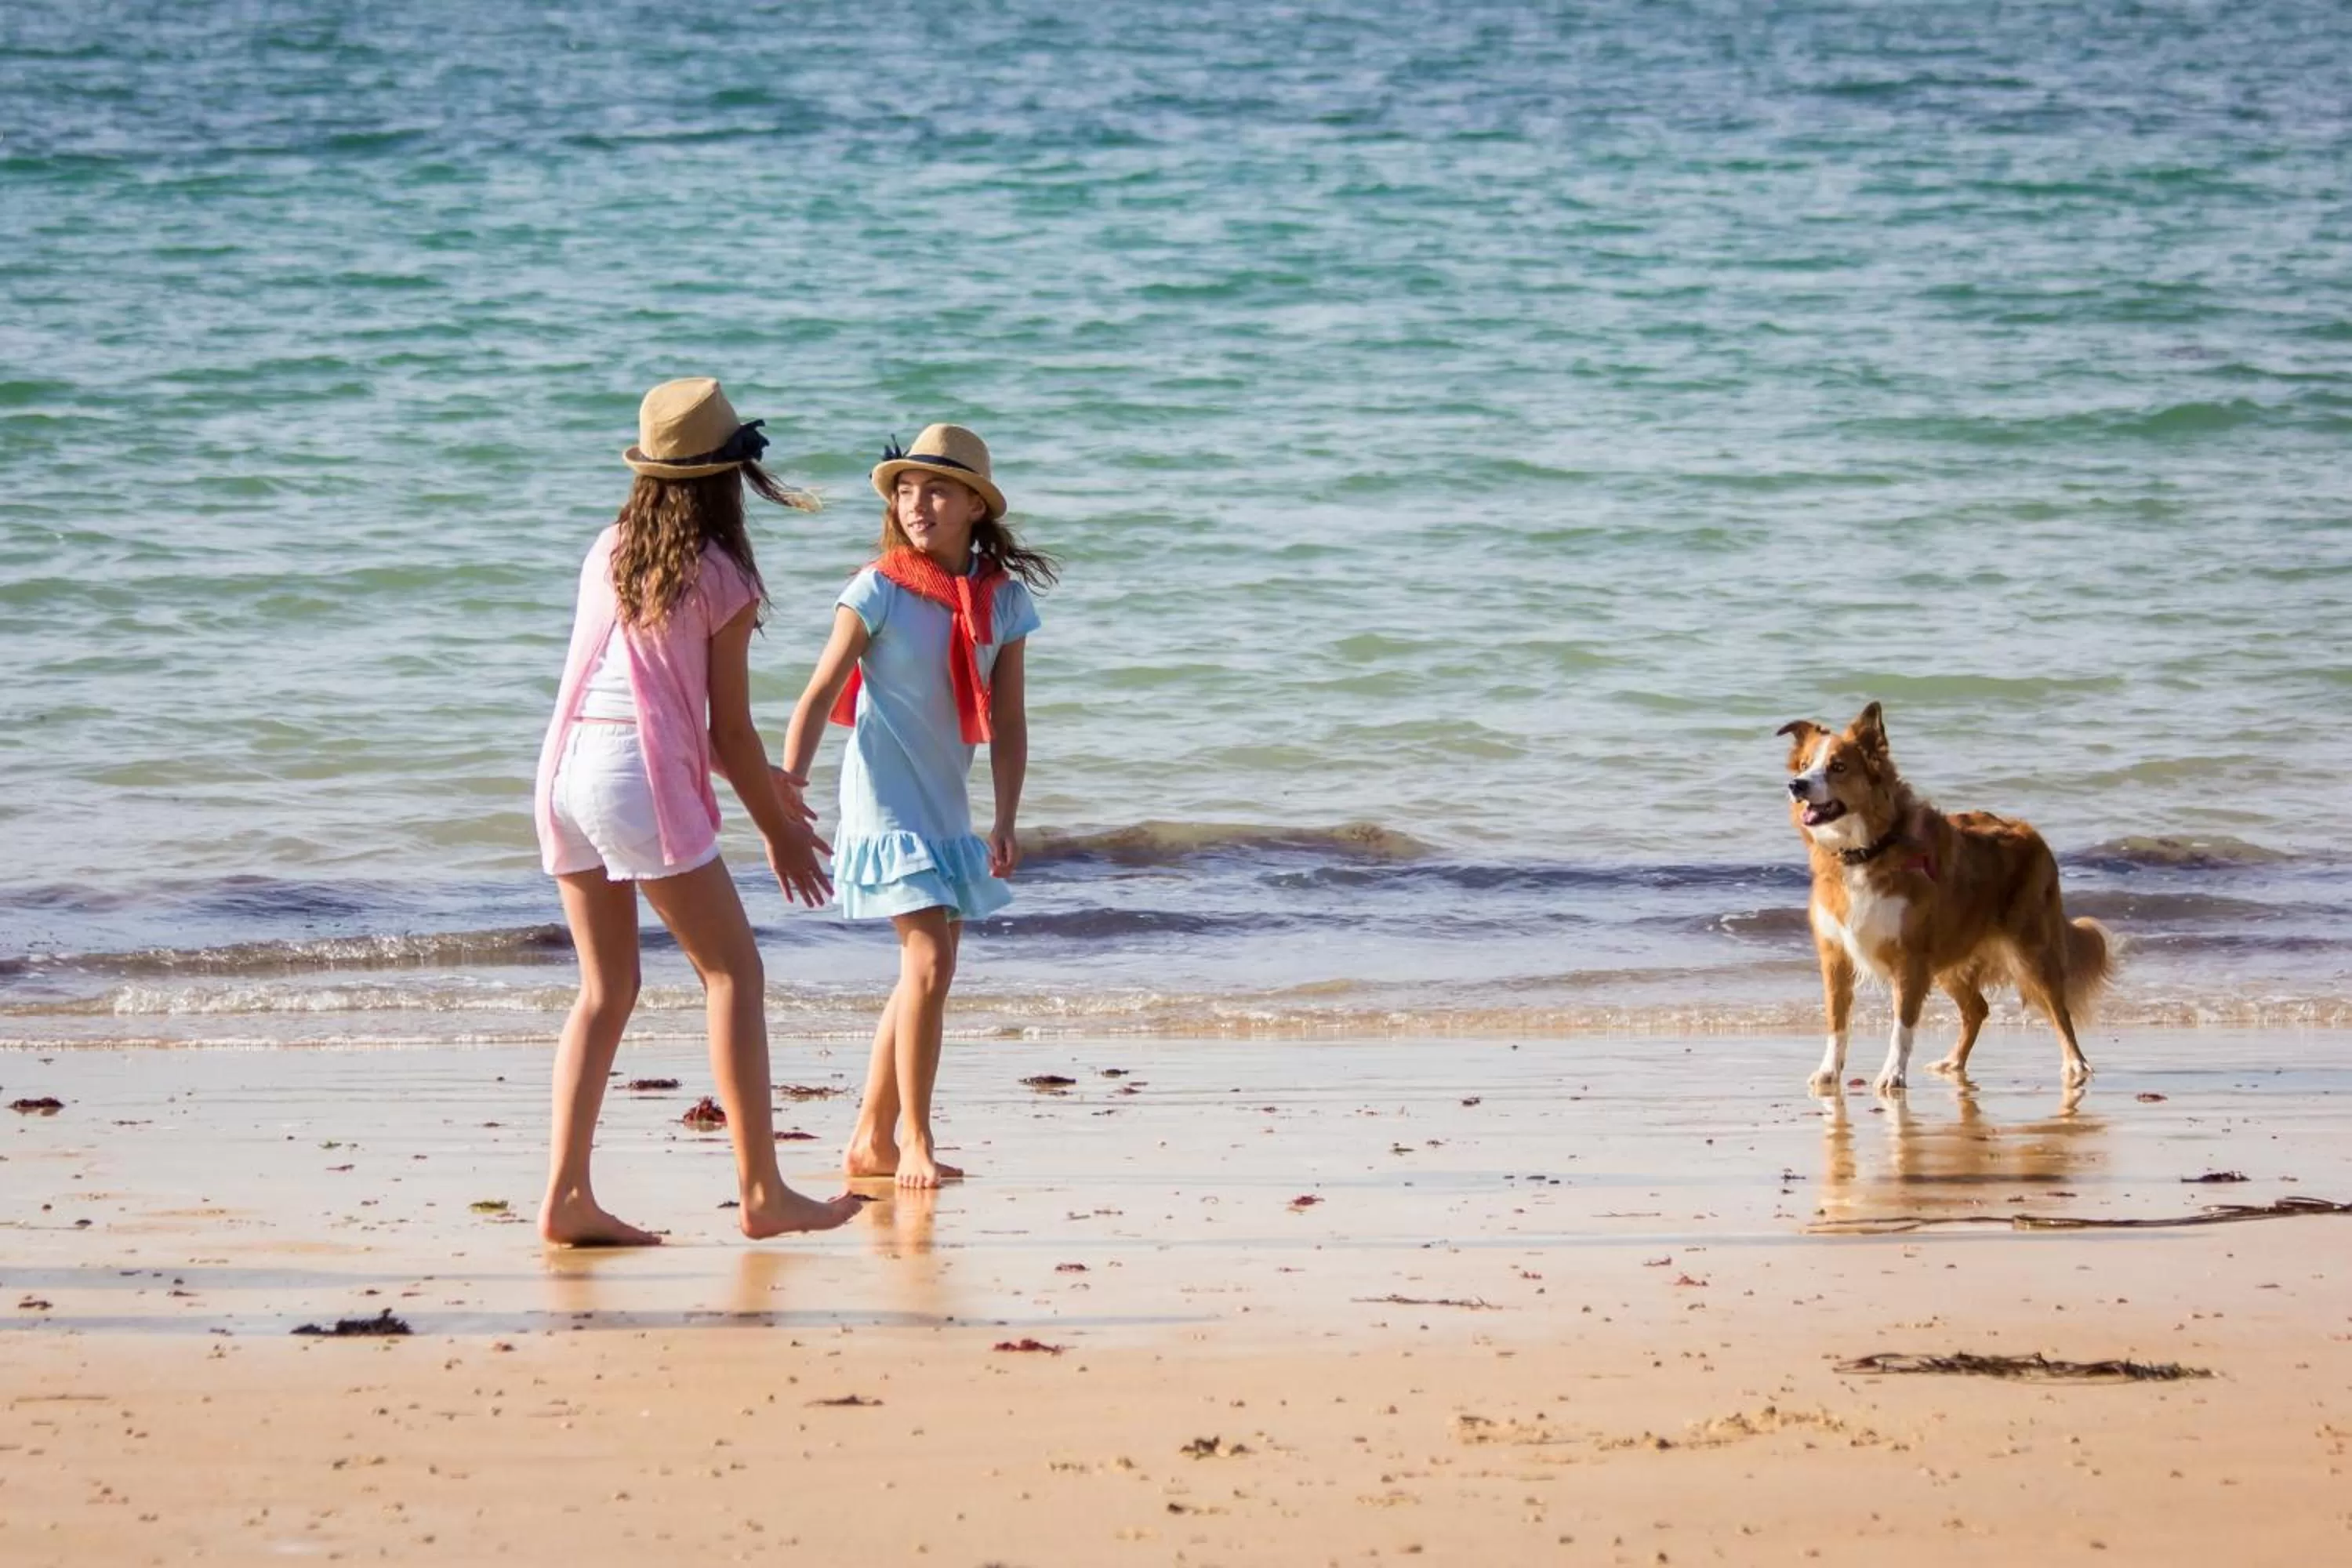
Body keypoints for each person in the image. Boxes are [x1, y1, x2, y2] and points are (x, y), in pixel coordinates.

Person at [532, 377, 865, 1245]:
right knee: (734, 973)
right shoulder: (724, 572)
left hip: (568, 769)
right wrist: (781, 830)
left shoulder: (607, 547)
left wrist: (761, 786)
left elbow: (655, 697)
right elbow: (725, 723)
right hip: (635, 777)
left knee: (605, 988)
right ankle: (764, 1190)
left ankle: (567, 1194)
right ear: (730, 479)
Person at [782, 424, 1055, 1189]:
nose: (917, 502)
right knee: (929, 963)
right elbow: (821, 690)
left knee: (920, 977)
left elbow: (1010, 721)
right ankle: (919, 1140)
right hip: (882, 802)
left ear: (975, 503)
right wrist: (790, 788)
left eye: (936, 488)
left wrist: (1003, 817)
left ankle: (871, 1138)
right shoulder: (878, 587)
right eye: (905, 488)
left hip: (945, 804)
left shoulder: (1003, 602)